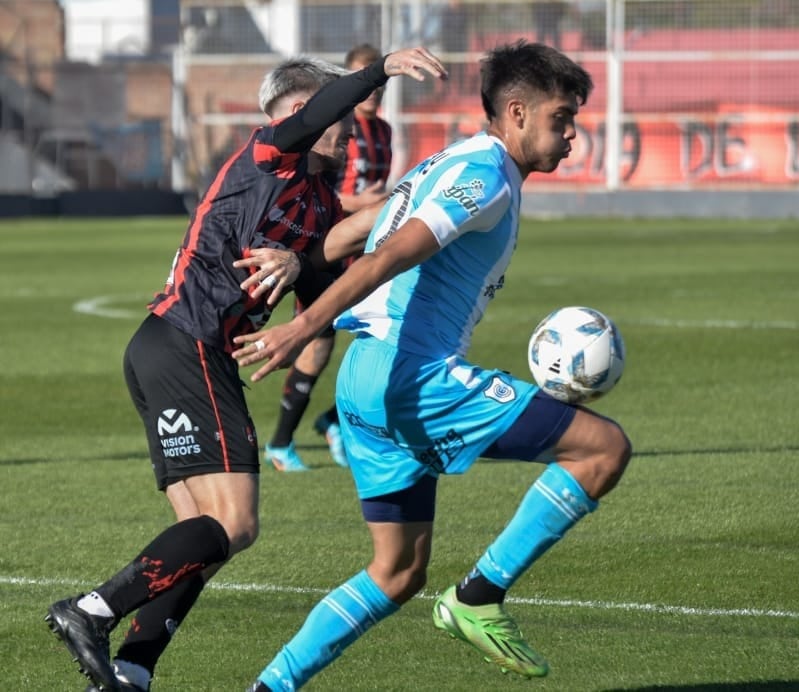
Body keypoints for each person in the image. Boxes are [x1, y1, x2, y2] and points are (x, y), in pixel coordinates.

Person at [44, 46, 447, 692]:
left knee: (198, 539)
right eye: (339, 126)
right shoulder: (267, 154)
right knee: (237, 524)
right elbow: (321, 109)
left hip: (164, 351)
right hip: (186, 345)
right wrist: (377, 71)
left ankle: (129, 673)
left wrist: (303, 279)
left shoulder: (318, 202)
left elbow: (315, 292)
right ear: (300, 113)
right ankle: (90, 610)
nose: (349, 139)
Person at [232, 41, 632, 690]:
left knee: (394, 573)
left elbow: (358, 233)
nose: (571, 135)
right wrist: (302, 324)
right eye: (561, 119)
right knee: (601, 451)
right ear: (516, 112)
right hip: (412, 375)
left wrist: (295, 265)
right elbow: (389, 255)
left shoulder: (448, 163)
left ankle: (268, 687)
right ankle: (477, 595)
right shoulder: (485, 177)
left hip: (363, 378)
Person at [266, 42, 393, 472]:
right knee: (319, 340)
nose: (373, 95)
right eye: (365, 83)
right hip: (329, 245)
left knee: (390, 337)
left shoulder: (383, 131)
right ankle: (283, 442)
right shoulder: (331, 131)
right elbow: (326, 195)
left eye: (379, 86)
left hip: (361, 247)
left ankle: (335, 419)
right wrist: (370, 204)